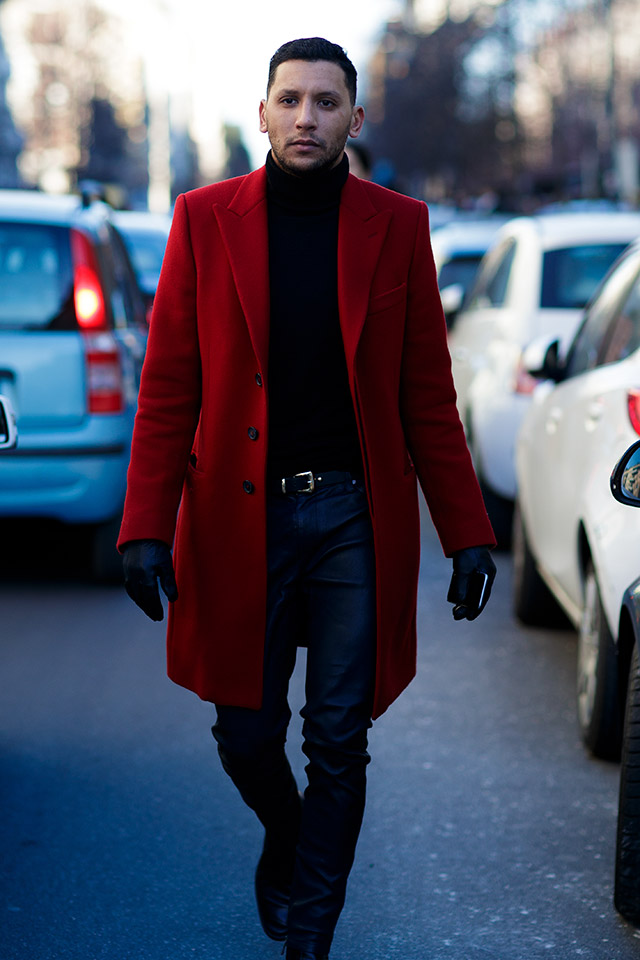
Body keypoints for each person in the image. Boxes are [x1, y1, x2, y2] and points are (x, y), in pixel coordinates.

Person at [119, 37, 496, 960]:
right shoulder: (204, 219)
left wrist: (466, 533)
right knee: (246, 734)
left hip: (351, 519)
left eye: (327, 103)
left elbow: (426, 396)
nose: (306, 117)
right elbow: (169, 386)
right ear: (262, 114)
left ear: (353, 120)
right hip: (236, 518)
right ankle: (288, 840)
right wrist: (144, 527)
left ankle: (309, 939)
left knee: (338, 739)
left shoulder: (398, 225)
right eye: (290, 100)